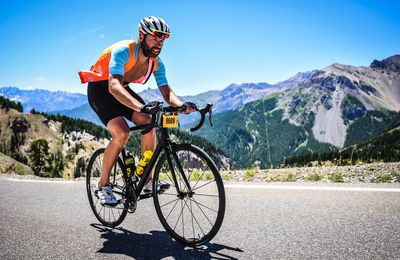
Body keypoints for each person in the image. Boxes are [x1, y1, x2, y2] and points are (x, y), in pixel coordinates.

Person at [79, 16, 197, 205]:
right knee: (122, 133)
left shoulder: (157, 62)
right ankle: (103, 185)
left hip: (122, 89)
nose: (159, 43)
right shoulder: (123, 51)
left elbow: (167, 93)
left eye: (163, 39)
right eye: (155, 37)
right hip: (101, 90)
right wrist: (141, 107)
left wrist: (182, 105)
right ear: (142, 35)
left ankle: (147, 179)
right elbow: (114, 86)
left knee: (149, 121)